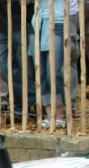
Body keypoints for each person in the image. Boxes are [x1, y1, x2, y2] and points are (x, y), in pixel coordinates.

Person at [34, 0, 79, 129]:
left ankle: (59, 115)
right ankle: (49, 115)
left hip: (59, 20)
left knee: (54, 71)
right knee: (42, 72)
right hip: (39, 20)